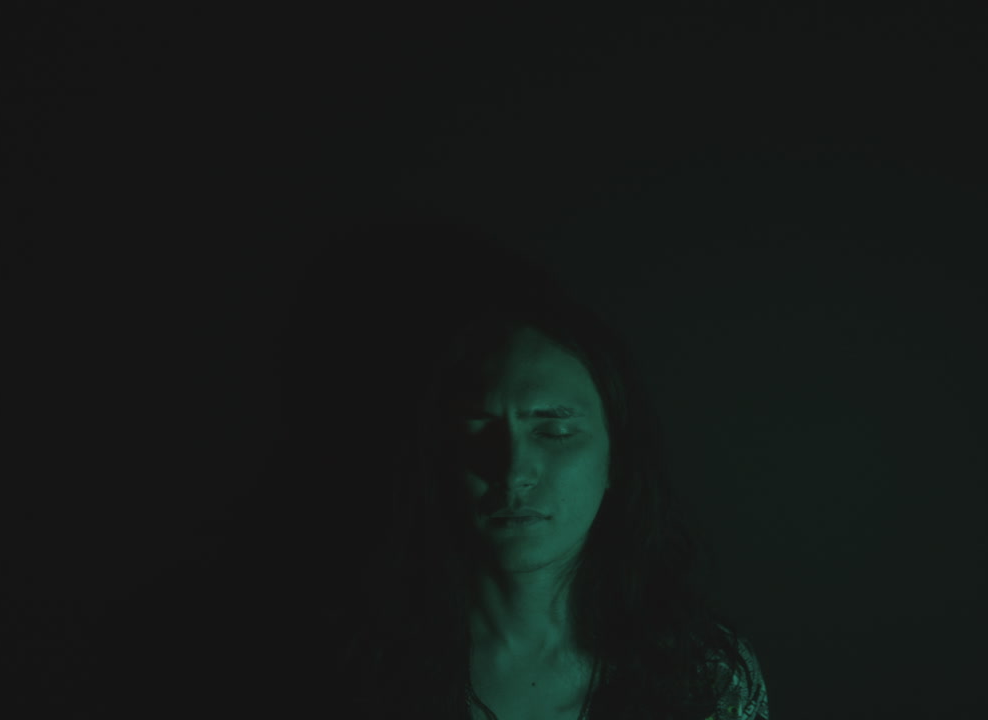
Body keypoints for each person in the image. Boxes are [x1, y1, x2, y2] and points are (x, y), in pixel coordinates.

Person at [314, 217, 770, 720]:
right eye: (478, 431)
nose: (512, 472)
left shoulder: (702, 676)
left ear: (617, 455)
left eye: (553, 431)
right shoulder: (354, 668)